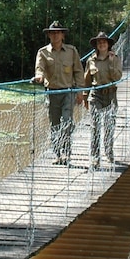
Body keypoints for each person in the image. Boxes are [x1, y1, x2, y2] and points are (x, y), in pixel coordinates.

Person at [31, 21, 85, 165]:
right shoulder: (43, 52)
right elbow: (39, 68)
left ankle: (67, 153)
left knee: (66, 122)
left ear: (63, 35)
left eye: (58, 33)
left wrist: (80, 91)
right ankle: (57, 154)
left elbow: (79, 71)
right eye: (52, 33)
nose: (55, 35)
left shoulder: (71, 51)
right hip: (52, 93)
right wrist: (39, 77)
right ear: (48, 35)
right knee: (54, 124)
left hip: (68, 92)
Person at [84, 31, 122, 168]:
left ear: (108, 44)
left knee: (109, 125)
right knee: (95, 126)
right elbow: (86, 80)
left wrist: (111, 63)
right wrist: (84, 97)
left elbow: (117, 77)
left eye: (104, 42)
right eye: (99, 42)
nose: (101, 44)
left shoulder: (115, 58)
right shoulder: (91, 60)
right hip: (95, 95)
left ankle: (108, 151)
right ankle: (95, 157)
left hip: (111, 95)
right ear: (96, 45)